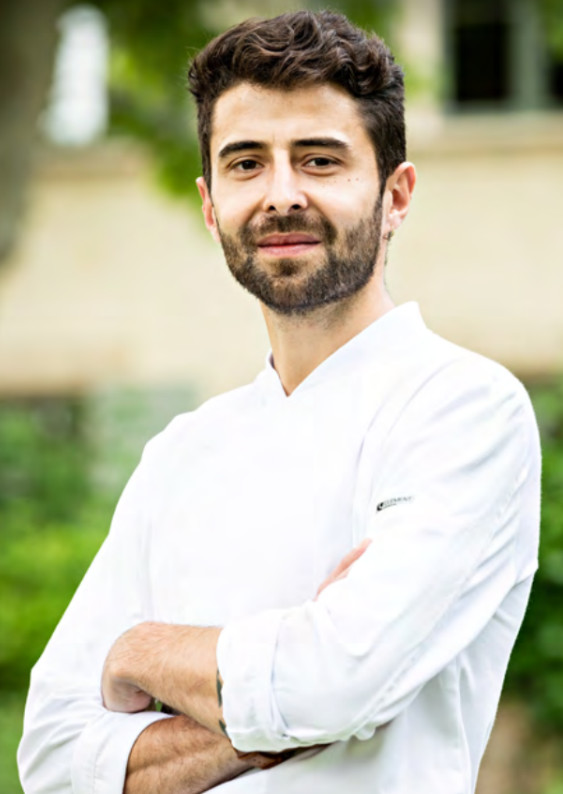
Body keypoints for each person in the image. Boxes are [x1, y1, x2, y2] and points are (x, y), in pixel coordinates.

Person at [18, 10, 540, 794]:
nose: (281, 195)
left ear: (395, 195)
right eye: (246, 164)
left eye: (320, 160)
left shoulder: (462, 409)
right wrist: (264, 713)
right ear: (208, 203)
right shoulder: (183, 452)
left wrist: (140, 651)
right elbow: (53, 758)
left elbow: (332, 681)